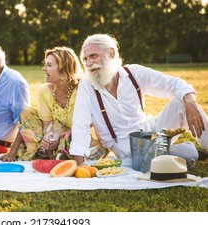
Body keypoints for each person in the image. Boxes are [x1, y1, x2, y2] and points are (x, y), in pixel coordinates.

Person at [70, 33, 208, 167]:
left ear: (111, 53)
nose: (88, 63)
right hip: (126, 147)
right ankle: (186, 152)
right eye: (85, 59)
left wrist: (190, 102)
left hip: (150, 130)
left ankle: (178, 151)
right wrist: (79, 162)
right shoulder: (86, 85)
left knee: (181, 100)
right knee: (188, 155)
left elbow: (174, 84)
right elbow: (80, 124)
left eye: (93, 56)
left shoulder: (133, 73)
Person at [0, 46, 91, 162]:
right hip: (57, 134)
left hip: (78, 135)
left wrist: (63, 136)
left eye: (49, 65)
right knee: (27, 112)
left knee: (72, 139)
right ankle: (51, 151)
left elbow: (91, 124)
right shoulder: (44, 91)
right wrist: (49, 137)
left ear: (64, 68)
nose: (44, 69)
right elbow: (46, 126)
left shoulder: (82, 88)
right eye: (45, 64)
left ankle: (57, 153)